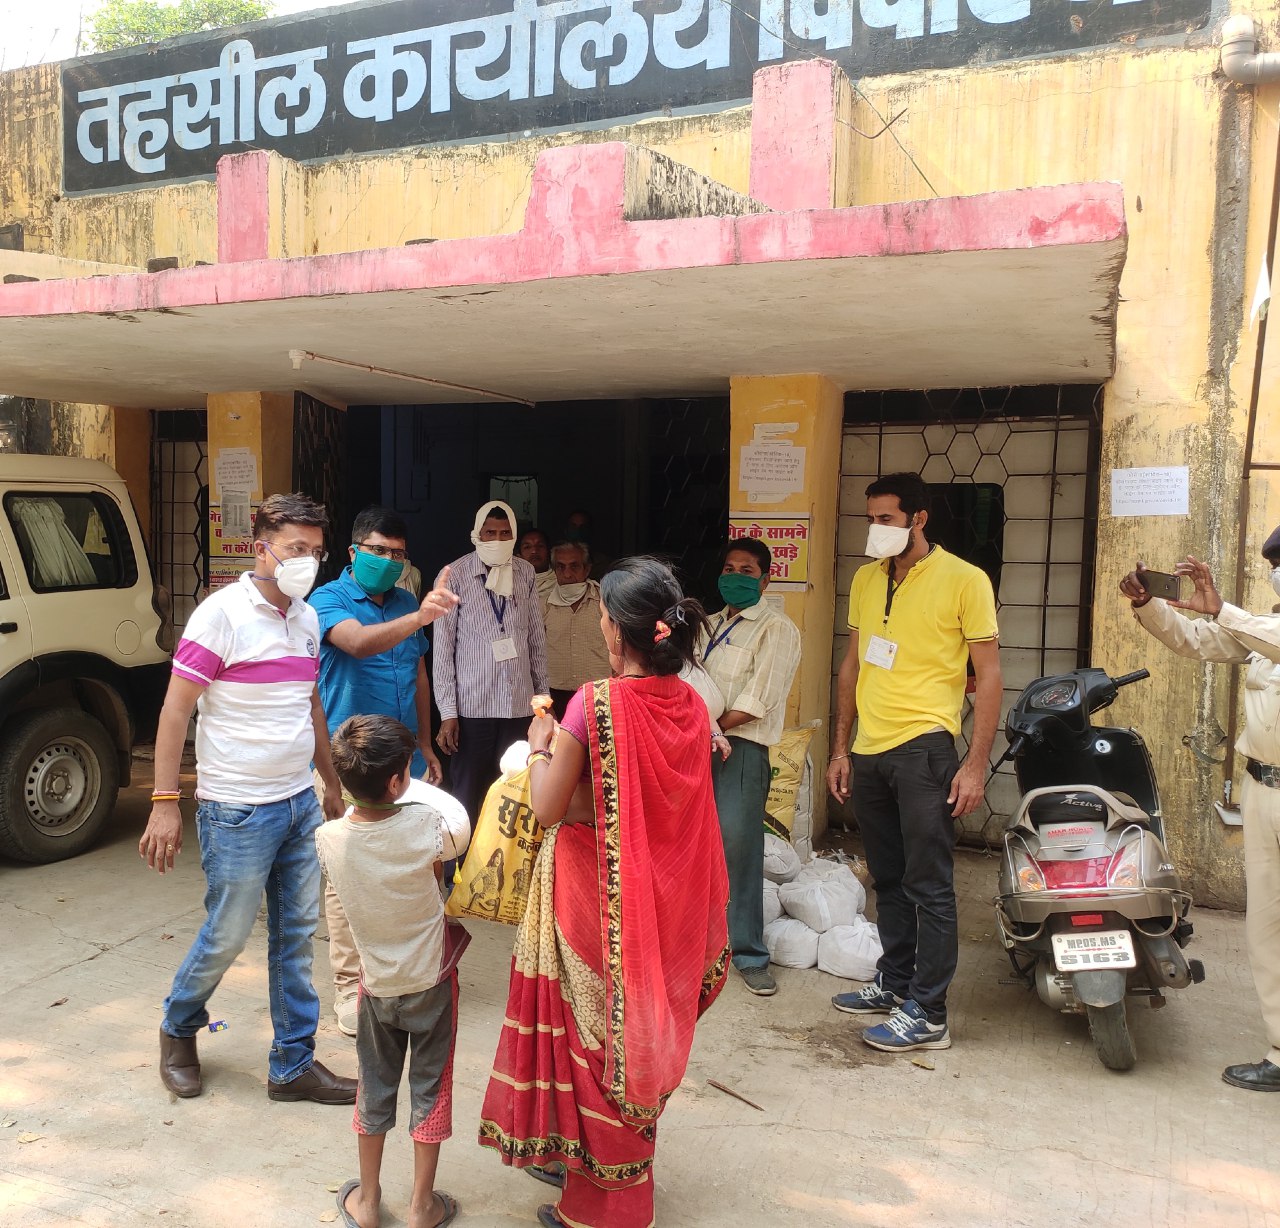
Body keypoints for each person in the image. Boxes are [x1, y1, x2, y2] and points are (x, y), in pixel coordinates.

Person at [478, 557, 730, 1228]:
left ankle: (605, 1207)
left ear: (617, 630)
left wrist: (540, 746)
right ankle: (608, 1172)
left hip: (596, 896)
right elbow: (663, 802)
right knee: (637, 1034)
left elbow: (547, 807)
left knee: (595, 1042)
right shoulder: (692, 704)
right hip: (664, 899)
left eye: (601, 619)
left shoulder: (596, 703)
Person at [139, 493, 357, 1105]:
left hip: (298, 802)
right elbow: (175, 711)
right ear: (261, 548)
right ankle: (179, 1025)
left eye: (316, 551)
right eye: (295, 549)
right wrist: (164, 801)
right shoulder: (221, 615)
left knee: (296, 936)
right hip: (236, 809)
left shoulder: (307, 618)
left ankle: (293, 1064)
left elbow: (310, 705)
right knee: (228, 933)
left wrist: (329, 781)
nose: (306, 561)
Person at [826, 472, 1001, 1052]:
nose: (875, 529)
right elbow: (853, 664)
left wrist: (974, 765)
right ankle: (895, 981)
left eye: (886, 519)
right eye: (870, 519)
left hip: (925, 748)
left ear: (918, 519)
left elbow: (990, 676)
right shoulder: (866, 578)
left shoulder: (965, 580)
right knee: (889, 878)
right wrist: (841, 747)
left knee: (930, 884)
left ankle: (929, 1012)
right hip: (870, 750)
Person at [1120, 543, 1280, 1092]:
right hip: (1263, 789)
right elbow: (1195, 639)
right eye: (1275, 567)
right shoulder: (1261, 629)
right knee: (1266, 927)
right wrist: (1148, 604)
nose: (1277, 575)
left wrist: (1222, 609)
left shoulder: (1262, 629)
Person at [310, 506, 460, 1036]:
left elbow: (418, 675)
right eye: (378, 550)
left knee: (420, 864)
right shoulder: (328, 600)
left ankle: (416, 975)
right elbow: (356, 643)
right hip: (348, 761)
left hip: (403, 760)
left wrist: (425, 743)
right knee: (347, 877)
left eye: (398, 554)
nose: (389, 561)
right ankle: (351, 987)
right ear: (354, 552)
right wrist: (421, 617)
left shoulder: (404, 602)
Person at [318, 715, 472, 1228]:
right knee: (432, 1088)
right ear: (396, 782)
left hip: (376, 987)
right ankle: (421, 1206)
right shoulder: (428, 827)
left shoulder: (328, 839)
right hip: (432, 983)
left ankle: (367, 1202)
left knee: (374, 1085)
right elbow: (450, 843)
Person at [697, 537, 801, 997]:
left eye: (746, 571)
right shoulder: (707, 624)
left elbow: (760, 699)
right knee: (693, 847)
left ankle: (748, 953)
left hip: (739, 750)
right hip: (695, 747)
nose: (735, 577)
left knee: (738, 850)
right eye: (729, 568)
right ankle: (696, 945)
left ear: (765, 579)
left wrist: (712, 728)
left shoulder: (777, 630)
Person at [432, 501, 549, 821]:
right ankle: (464, 852)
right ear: (477, 534)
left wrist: (543, 701)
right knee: (468, 790)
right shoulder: (454, 574)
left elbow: (536, 640)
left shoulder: (525, 572)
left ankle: (506, 852)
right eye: (490, 533)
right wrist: (448, 712)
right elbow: (442, 650)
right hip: (473, 707)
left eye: (505, 533)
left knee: (516, 788)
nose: (498, 539)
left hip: (519, 705)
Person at [540, 540, 612, 718]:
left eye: (574, 566)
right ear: (554, 570)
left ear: (587, 569)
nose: (567, 574)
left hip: (599, 692)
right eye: (561, 567)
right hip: (555, 694)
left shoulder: (605, 602)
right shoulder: (543, 604)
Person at [516, 527, 555, 598]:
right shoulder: (509, 585)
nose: (534, 551)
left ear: (549, 551)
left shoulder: (561, 581)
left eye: (540, 546)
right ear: (519, 556)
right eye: (527, 547)